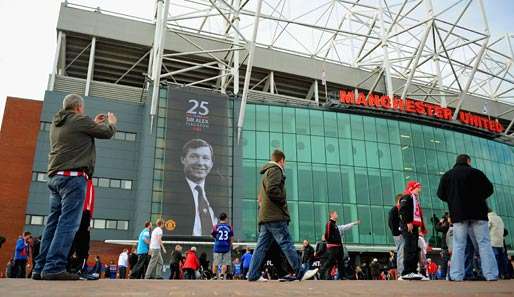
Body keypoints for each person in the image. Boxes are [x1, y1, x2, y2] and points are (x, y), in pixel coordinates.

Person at [33, 94, 117, 281]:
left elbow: (79, 134)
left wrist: (93, 123)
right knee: (68, 224)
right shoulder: (79, 120)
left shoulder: (58, 123)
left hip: (56, 177)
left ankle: (40, 267)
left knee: (53, 223)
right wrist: (111, 122)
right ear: (79, 107)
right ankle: (54, 267)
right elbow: (107, 133)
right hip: (73, 179)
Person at [247, 150, 317, 282]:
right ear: (282, 160)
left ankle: (253, 274)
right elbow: (272, 189)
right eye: (285, 162)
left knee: (261, 247)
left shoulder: (267, 172)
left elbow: (264, 194)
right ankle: (300, 272)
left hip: (266, 216)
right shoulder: (275, 170)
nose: (284, 164)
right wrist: (282, 201)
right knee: (286, 242)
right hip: (275, 216)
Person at [437, 154, 498, 281]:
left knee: (459, 244)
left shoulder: (448, 175)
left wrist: (453, 201)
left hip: (458, 214)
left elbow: (441, 194)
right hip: (478, 213)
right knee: (484, 244)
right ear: (468, 161)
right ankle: (491, 274)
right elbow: (489, 189)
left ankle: (456, 275)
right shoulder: (477, 173)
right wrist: (479, 197)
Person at [175, 139, 220, 236]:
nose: (200, 163)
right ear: (183, 159)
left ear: (211, 164)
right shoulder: (173, 192)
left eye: (205, 158)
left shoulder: (217, 195)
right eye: (194, 156)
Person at [398, 181, 427, 280]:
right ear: (413, 187)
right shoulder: (407, 197)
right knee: (409, 246)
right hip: (408, 225)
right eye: (418, 187)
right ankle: (406, 272)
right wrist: (408, 222)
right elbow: (402, 210)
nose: (420, 189)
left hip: (414, 226)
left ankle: (413, 271)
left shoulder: (414, 198)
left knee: (414, 248)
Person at [319, 211, 345, 280]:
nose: (337, 215)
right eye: (336, 214)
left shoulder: (335, 225)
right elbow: (327, 234)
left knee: (340, 261)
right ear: (332, 215)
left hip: (339, 246)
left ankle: (341, 276)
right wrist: (330, 242)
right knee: (330, 261)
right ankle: (321, 272)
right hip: (333, 246)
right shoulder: (329, 223)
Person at [211, 212, 233, 279]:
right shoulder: (229, 227)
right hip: (226, 246)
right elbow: (231, 238)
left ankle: (214, 275)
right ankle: (222, 275)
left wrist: (217, 239)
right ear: (226, 219)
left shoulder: (216, 226)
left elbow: (212, 235)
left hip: (217, 246)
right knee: (225, 263)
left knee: (216, 262)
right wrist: (230, 245)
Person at [488, 209, 507, 279]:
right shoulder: (499, 218)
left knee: (495, 259)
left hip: (493, 242)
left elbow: (487, 228)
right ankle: (505, 274)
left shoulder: (489, 218)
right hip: (500, 242)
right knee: (503, 259)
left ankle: (497, 274)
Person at [388, 194, 404, 276]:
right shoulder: (394, 210)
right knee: (401, 252)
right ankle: (401, 272)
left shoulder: (399, 209)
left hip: (399, 234)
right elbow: (391, 223)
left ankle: (402, 271)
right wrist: (398, 232)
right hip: (398, 235)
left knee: (401, 252)